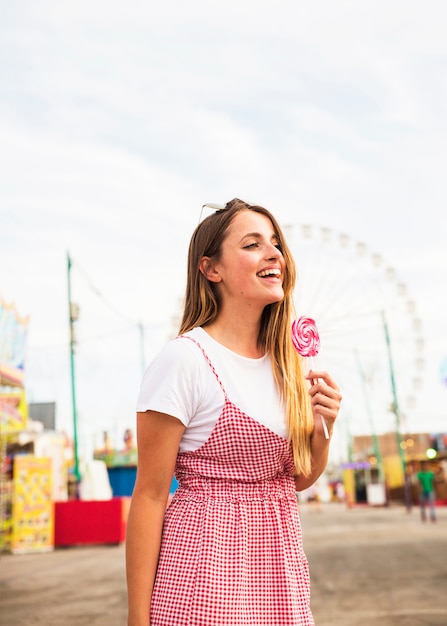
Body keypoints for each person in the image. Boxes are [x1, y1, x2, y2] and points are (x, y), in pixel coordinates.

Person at [126, 198, 342, 626]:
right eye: (252, 244)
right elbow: (150, 495)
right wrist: (138, 618)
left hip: (278, 573)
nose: (274, 253)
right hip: (203, 571)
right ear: (212, 269)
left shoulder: (290, 364)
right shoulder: (185, 360)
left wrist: (323, 429)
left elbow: (294, 479)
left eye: (276, 243)